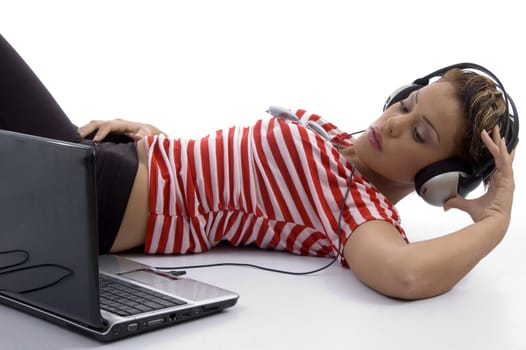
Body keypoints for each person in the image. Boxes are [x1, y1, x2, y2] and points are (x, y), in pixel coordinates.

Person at [0, 34, 517, 300]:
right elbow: (230, 181)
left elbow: (404, 274)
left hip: (96, 197)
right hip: (111, 165)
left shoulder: (355, 204)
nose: (396, 121)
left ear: (438, 180)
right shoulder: (329, 135)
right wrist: (157, 141)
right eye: (407, 104)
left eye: (421, 133)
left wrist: (494, 223)